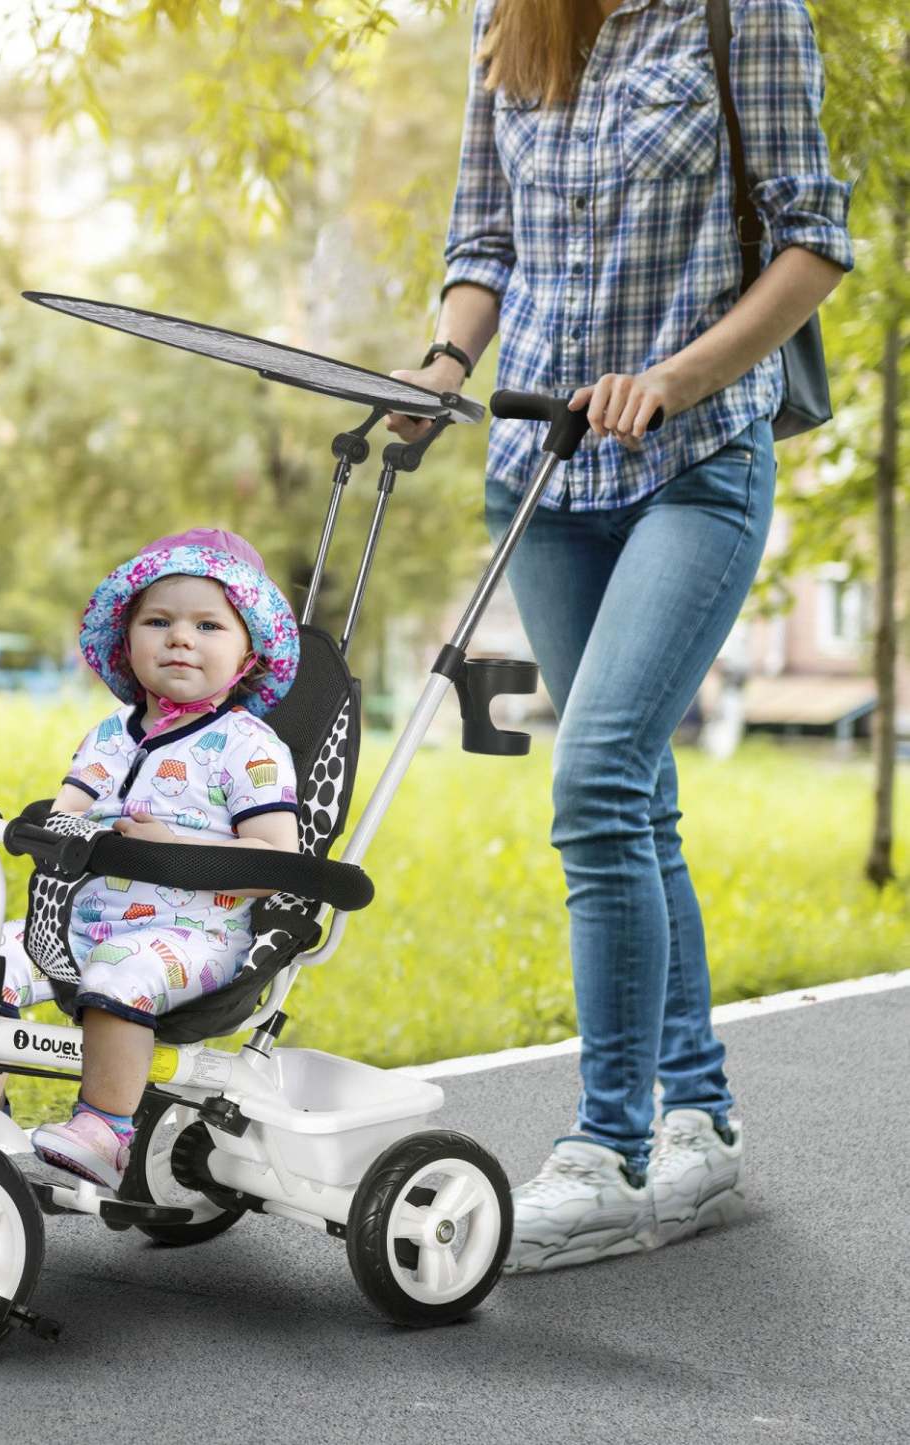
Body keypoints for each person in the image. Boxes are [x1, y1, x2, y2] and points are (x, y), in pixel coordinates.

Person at [386, 0, 852, 1272]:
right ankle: (696, 1119)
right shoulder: (508, 18)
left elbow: (811, 241)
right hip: (542, 464)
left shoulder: (742, 11)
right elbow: (482, 237)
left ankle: (605, 1151)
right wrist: (439, 365)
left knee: (592, 779)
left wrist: (677, 378)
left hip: (690, 460)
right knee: (634, 797)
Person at [0, 527, 301, 1188]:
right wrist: (36, 827)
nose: (180, 637)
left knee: (118, 969)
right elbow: (68, 808)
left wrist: (178, 848)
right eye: (158, 621)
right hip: (84, 920)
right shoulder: (109, 734)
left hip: (193, 933)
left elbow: (278, 858)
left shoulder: (247, 745)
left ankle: (106, 1127)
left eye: (208, 624)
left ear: (248, 656)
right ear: (127, 641)